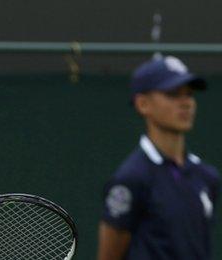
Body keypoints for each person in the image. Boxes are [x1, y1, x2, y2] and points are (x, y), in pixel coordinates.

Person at [97, 55, 220, 260]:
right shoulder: (130, 179)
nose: (186, 103)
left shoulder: (208, 177)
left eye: (189, 94)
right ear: (143, 104)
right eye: (173, 94)